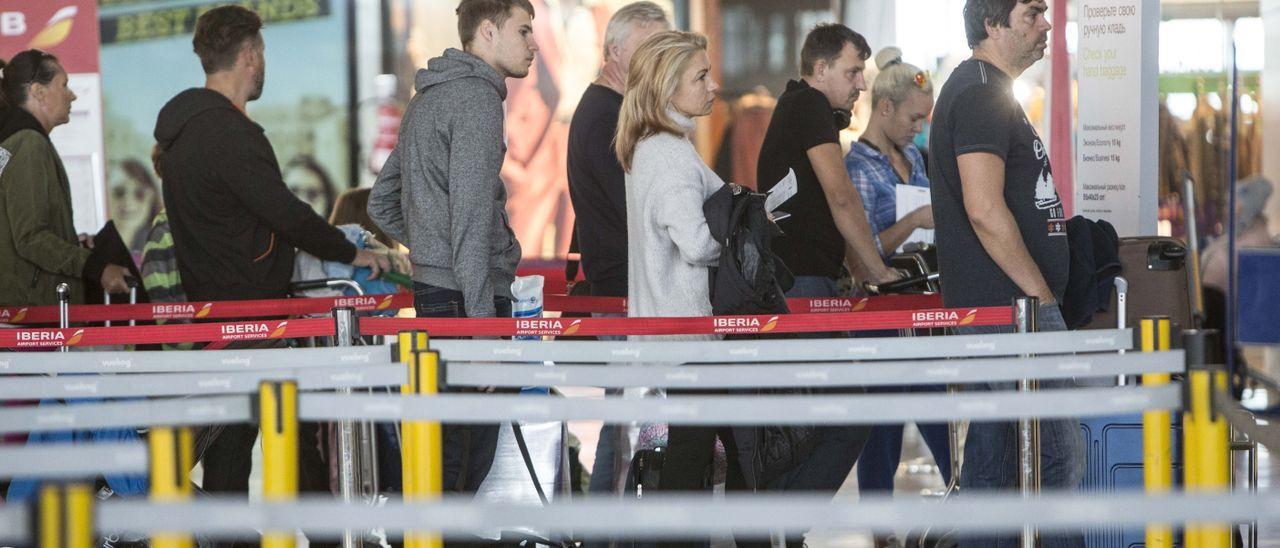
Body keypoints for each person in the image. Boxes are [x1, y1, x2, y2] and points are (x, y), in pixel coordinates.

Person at [152, 7, 388, 546]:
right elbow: (283, 211)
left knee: (231, 454)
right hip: (260, 321)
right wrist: (351, 254)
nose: (264, 65)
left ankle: (231, 536)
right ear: (250, 55)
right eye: (263, 54)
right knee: (295, 442)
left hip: (216, 316)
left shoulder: (181, 134)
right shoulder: (228, 133)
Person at [367, 0, 537, 516]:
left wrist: (430, 249)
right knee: (463, 469)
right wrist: (485, 334)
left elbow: (380, 201)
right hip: (471, 302)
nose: (534, 44)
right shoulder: (478, 100)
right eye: (524, 30)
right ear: (488, 31)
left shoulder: (429, 96)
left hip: (437, 294)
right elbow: (468, 220)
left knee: (444, 461)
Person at [928, 1, 1081, 546]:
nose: (1045, 24)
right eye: (1031, 13)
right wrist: (1039, 298)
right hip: (1010, 312)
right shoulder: (979, 93)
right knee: (1059, 456)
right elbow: (984, 209)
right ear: (992, 23)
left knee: (993, 470)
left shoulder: (987, 90)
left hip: (1002, 310)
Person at [616, 29, 765, 548]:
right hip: (688, 334)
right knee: (708, 453)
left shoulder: (654, 146)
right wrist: (739, 241)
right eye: (700, 76)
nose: (714, 84)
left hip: (677, 333)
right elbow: (697, 243)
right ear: (665, 85)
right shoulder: (669, 153)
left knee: (710, 450)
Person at [843, 47, 949, 546]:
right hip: (880, 315)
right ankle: (882, 535)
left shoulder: (915, 160)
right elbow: (858, 253)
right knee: (879, 438)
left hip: (924, 312)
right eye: (913, 118)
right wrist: (914, 221)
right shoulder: (855, 168)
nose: (919, 128)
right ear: (883, 108)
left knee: (944, 427)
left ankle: (963, 513)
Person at [565, 0, 669, 499]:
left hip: (626, 288)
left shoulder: (616, 111)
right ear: (614, 52)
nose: (660, 62)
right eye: (650, 50)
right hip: (624, 293)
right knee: (628, 426)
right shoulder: (607, 117)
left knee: (626, 421)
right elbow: (642, 212)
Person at [757, 23, 900, 303]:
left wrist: (858, 268)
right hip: (803, 279)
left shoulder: (795, 102)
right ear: (821, 69)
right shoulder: (811, 103)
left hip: (796, 275)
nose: (862, 84)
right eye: (853, 72)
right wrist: (879, 271)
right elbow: (841, 195)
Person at [0, 49, 131, 307]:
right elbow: (30, 238)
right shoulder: (28, 144)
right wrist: (96, 267)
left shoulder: (17, 142)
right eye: (64, 85)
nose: (72, 95)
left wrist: (72, 242)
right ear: (38, 91)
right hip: (30, 316)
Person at [108, 158, 163, 256]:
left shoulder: (164, 245)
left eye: (139, 193)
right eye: (119, 192)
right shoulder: (90, 244)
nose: (128, 202)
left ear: (152, 198)